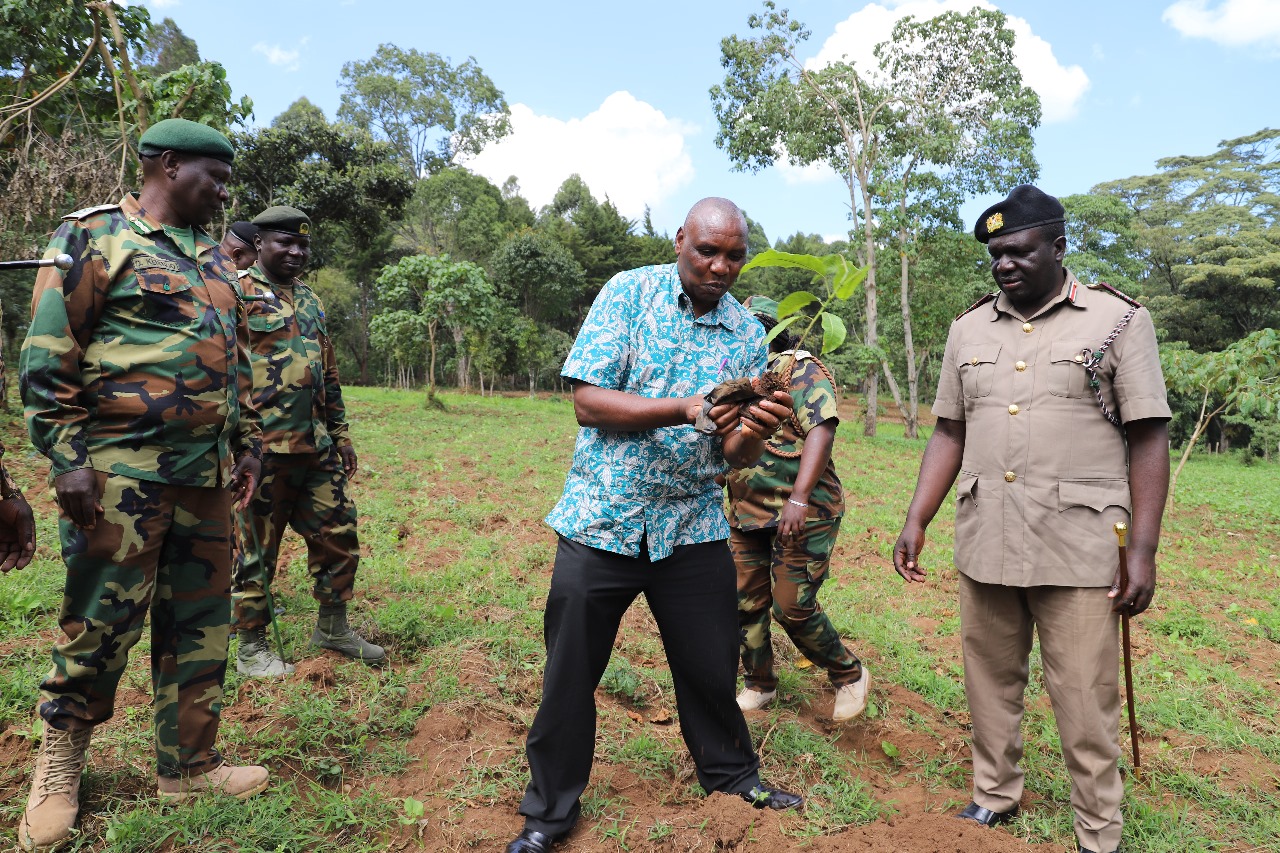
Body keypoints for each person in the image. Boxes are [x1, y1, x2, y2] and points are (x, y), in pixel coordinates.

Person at [506, 198, 803, 853]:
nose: (720, 266)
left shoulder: (746, 333)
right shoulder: (629, 294)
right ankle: (548, 813)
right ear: (680, 241)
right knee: (570, 675)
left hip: (691, 526)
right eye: (707, 251)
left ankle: (734, 780)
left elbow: (735, 459)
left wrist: (755, 432)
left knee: (709, 666)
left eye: (733, 255)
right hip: (604, 520)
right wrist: (684, 407)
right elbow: (587, 401)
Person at [891, 185, 1170, 853]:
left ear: (1058, 247)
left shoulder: (1117, 321)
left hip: (1078, 544)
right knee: (989, 679)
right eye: (995, 254)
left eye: (1018, 251)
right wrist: (916, 516)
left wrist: (1144, 551)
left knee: (1083, 696)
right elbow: (949, 432)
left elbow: (1150, 436)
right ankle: (995, 793)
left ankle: (1097, 829)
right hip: (987, 534)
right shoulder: (968, 329)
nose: (1004, 264)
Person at [17, 118, 268, 851]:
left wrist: (247, 446)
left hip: (207, 479)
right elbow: (47, 355)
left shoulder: (217, 263)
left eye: (226, 180)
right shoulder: (94, 237)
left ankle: (188, 764)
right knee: (99, 622)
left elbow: (237, 361)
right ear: (164, 164)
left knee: (199, 626)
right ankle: (61, 762)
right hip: (121, 475)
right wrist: (66, 457)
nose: (222, 192)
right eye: (211, 177)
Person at [231, 204, 382, 678]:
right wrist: (238, 443)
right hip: (262, 452)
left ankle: (333, 628)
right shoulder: (234, 293)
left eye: (302, 244)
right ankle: (252, 646)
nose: (296, 251)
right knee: (255, 548)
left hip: (315, 448)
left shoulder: (311, 300)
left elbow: (327, 372)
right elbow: (221, 370)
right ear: (259, 244)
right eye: (285, 243)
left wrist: (340, 433)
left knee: (338, 535)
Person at [726, 295, 869, 722]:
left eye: (756, 327)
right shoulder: (736, 373)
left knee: (791, 605)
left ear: (773, 329)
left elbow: (821, 429)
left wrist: (799, 498)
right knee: (744, 602)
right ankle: (759, 683)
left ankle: (848, 673)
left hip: (800, 511)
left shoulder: (795, 367)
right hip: (745, 512)